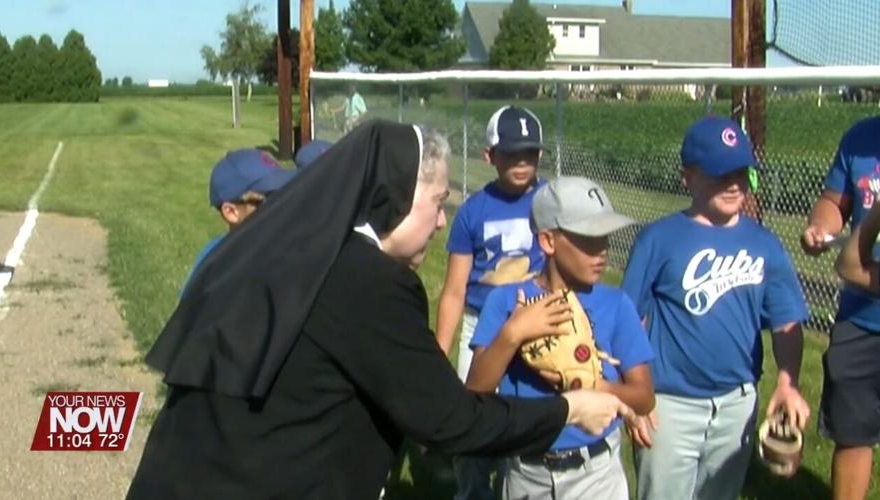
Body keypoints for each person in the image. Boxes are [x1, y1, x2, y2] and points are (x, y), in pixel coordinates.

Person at [128, 120, 633, 500]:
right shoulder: (366, 283)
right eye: (437, 202)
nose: (441, 223)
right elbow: (449, 420)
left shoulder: (287, 249)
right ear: (392, 198)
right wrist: (569, 408)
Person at [622, 116, 811, 500]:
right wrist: (634, 398)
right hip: (668, 404)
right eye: (720, 173)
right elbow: (627, 323)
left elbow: (786, 320)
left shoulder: (765, 244)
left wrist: (788, 383)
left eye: (741, 173)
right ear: (687, 177)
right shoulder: (658, 239)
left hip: (736, 403)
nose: (734, 184)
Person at [467, 176, 655, 500]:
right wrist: (513, 334)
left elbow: (644, 397)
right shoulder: (507, 301)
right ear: (548, 242)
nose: (602, 251)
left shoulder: (615, 304)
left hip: (595, 470)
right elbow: (475, 393)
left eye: (605, 237)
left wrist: (592, 385)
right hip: (527, 470)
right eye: (588, 239)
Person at [435, 105, 548, 500]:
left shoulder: (551, 201)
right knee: (473, 419)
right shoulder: (473, 211)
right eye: (511, 153)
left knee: (528, 415)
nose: (521, 162)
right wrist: (440, 350)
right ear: (489, 156)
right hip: (481, 324)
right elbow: (454, 288)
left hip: (538, 322)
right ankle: (472, 492)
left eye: (529, 154)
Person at [801, 115, 880, 500]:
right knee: (852, 433)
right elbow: (834, 202)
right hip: (861, 315)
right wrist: (821, 225)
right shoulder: (860, 138)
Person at [180, 148, 296, 296]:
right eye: (269, 199)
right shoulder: (215, 269)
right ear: (231, 212)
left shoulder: (294, 241)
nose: (282, 204)